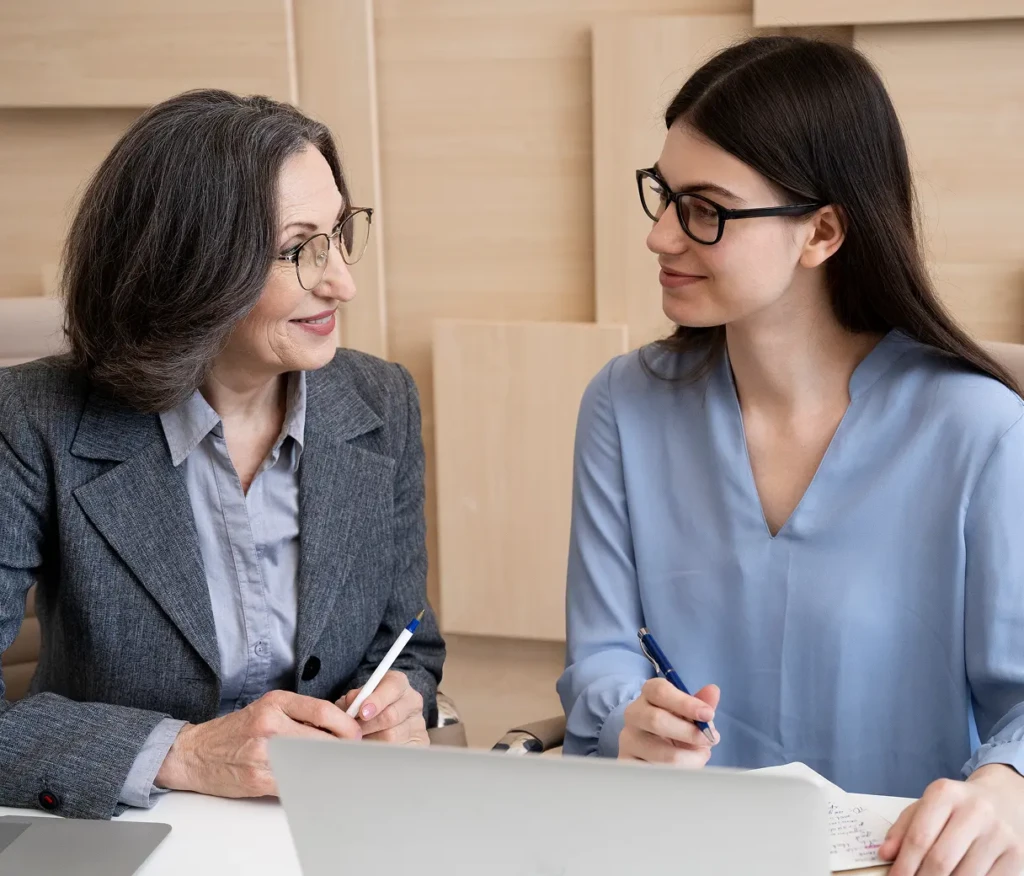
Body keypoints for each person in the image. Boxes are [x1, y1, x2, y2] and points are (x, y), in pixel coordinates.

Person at [558, 36, 1024, 876]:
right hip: (671, 853)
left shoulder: (979, 431)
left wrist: (1003, 787)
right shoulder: (623, 405)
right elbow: (601, 657)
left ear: (823, 231)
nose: (662, 236)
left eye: (706, 208)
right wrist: (632, 714)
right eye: (664, 195)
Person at [0, 90, 444, 820]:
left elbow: (409, 644)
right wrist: (185, 753)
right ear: (190, 268)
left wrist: (400, 702)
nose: (342, 281)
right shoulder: (32, 421)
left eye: (339, 233)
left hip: (323, 823)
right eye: (300, 248)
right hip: (127, 828)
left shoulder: (381, 402)